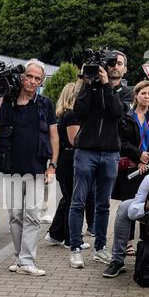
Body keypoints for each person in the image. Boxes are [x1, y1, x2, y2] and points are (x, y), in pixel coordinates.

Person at [0, 59, 58, 277]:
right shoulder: (8, 103)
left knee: (32, 216)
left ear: (41, 82)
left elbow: (54, 137)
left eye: (37, 78)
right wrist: (0, 99)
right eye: (29, 76)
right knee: (15, 215)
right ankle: (19, 258)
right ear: (22, 77)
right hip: (12, 168)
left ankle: (27, 260)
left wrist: (53, 165)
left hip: (36, 168)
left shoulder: (45, 104)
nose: (32, 81)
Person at [67, 60, 124, 268]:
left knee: (103, 204)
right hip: (86, 151)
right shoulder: (88, 87)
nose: (115, 67)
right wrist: (87, 82)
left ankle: (100, 248)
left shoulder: (121, 91)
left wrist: (107, 85)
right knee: (78, 201)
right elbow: (79, 111)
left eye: (119, 64)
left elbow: (117, 112)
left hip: (109, 152)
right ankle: (75, 248)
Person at [113, 80, 149, 254]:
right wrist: (138, 155)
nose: (146, 96)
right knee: (130, 203)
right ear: (136, 95)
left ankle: (147, 240)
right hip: (131, 167)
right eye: (143, 93)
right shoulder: (126, 117)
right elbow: (121, 140)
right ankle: (127, 242)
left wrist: (148, 156)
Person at [45, 79, 94, 248]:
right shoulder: (72, 115)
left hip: (65, 161)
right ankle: (70, 238)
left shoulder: (64, 115)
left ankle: (56, 234)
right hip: (71, 160)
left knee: (67, 199)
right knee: (73, 200)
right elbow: (75, 140)